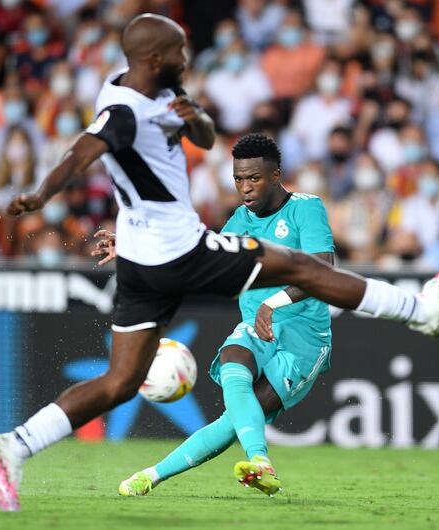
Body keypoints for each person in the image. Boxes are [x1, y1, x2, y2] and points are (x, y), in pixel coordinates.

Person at [0, 14, 439, 513]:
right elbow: (82, 151)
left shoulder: (153, 91)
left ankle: (15, 445)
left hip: (148, 259)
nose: (187, 60)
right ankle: (421, 311)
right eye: (180, 52)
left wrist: (193, 118)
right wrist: (40, 193)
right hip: (176, 248)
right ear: (155, 59)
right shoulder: (122, 112)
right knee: (301, 268)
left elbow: (204, 140)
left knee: (121, 382)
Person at [117, 133, 336, 497]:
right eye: (238, 179)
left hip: (304, 340)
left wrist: (273, 302)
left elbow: (323, 270)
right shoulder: (239, 220)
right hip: (255, 328)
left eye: (254, 178)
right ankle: (260, 462)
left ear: (276, 175)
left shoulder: (306, 208)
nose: (245, 188)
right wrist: (129, 248)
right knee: (234, 361)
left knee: (233, 420)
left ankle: (154, 474)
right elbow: (195, 259)